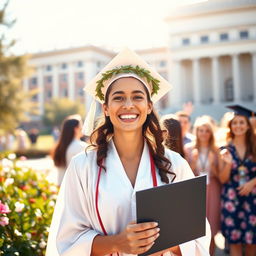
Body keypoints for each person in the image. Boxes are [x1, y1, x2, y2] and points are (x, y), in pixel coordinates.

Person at [46, 48, 210, 256]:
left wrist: (166, 243)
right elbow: (67, 240)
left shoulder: (174, 164)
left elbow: (198, 237)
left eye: (137, 97)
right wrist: (117, 243)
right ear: (105, 108)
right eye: (119, 98)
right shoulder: (82, 167)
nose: (128, 105)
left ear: (149, 106)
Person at [219, 105, 256, 256]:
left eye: (242, 122)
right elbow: (222, 178)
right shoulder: (226, 149)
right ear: (230, 126)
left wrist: (252, 183)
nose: (238, 126)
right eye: (235, 122)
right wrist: (228, 163)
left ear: (248, 126)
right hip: (231, 199)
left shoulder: (254, 146)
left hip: (253, 198)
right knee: (234, 241)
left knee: (252, 242)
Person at [184, 115, 221, 256]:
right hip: (196, 191)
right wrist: (193, 163)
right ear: (196, 131)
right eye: (201, 130)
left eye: (207, 130)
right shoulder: (188, 149)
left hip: (213, 189)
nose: (204, 133)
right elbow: (186, 175)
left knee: (211, 226)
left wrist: (213, 164)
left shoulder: (216, 150)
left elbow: (221, 176)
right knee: (197, 228)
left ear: (211, 133)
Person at [51, 114, 87, 185]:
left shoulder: (61, 147)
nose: (83, 127)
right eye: (81, 125)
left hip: (62, 188)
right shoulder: (81, 146)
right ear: (76, 129)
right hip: (75, 189)